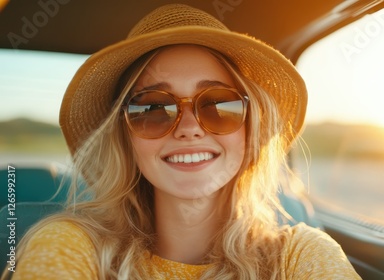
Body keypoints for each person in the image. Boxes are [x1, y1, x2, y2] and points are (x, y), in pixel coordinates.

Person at [8, 4, 361, 279]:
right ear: (124, 137)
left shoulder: (301, 255)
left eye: (218, 105)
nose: (189, 128)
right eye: (153, 108)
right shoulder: (70, 246)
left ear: (250, 128)